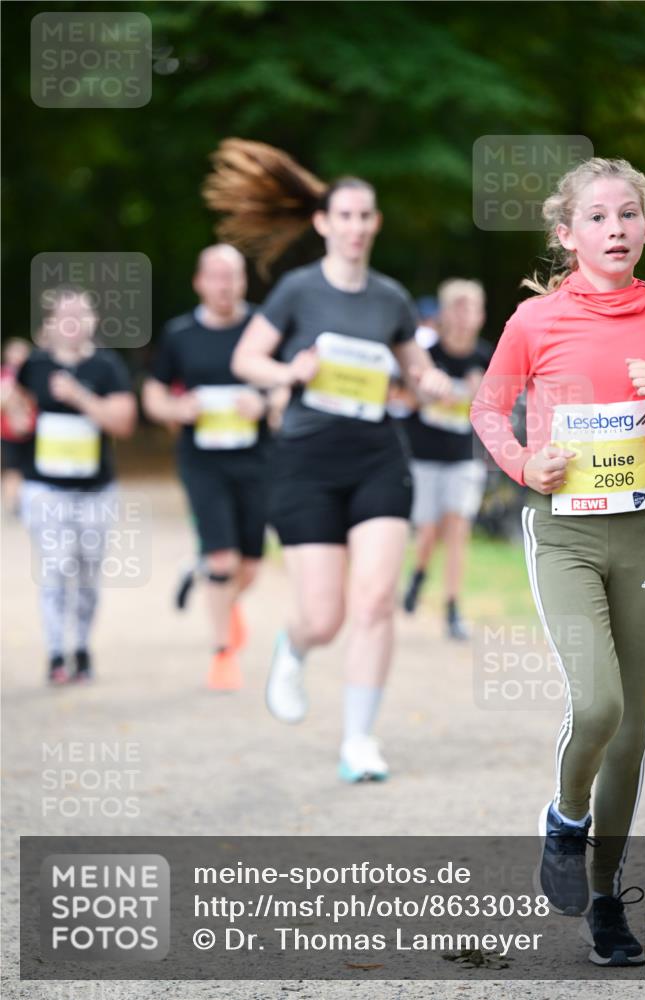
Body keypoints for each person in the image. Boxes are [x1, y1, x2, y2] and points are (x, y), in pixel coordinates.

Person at [203, 138, 454, 781]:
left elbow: (416, 366)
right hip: (307, 462)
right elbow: (245, 361)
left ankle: (359, 741)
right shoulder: (296, 290)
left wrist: (427, 382)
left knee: (373, 603)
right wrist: (291, 369)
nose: (355, 226)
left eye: (365, 215)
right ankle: (295, 646)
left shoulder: (391, 298)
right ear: (323, 223)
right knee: (326, 614)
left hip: (377, 457)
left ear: (374, 224)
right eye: (343, 215)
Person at [470, 158, 645, 966]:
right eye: (595, 217)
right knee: (595, 708)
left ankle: (603, 903)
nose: (613, 228)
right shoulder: (534, 322)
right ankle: (564, 817)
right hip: (566, 534)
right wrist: (523, 463)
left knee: (630, 735)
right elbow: (487, 407)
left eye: (627, 214)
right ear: (566, 234)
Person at [142, 245, 269, 691]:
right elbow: (153, 396)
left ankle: (214, 589)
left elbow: (289, 382)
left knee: (250, 566)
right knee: (223, 558)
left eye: (232, 275)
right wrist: (177, 409)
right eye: (216, 275)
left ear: (243, 281)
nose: (225, 284)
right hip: (202, 462)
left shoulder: (263, 329)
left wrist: (265, 402)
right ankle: (222, 653)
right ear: (199, 282)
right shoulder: (180, 334)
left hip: (256, 459)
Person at [16, 288, 136, 683]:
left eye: (80, 312)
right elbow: (16, 408)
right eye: (64, 313)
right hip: (45, 487)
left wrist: (79, 395)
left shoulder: (107, 366)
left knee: (87, 574)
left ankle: (81, 647)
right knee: (55, 567)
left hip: (95, 490)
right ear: (50, 322)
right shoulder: (34, 365)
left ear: (93, 320)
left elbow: (124, 423)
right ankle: (55, 654)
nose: (72, 321)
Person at [402, 279, 492, 638]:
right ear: (444, 314)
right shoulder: (428, 355)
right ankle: (419, 573)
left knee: (456, 527)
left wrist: (481, 394)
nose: (463, 315)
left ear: (481, 315)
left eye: (470, 307)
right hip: (424, 455)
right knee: (428, 532)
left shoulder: (487, 358)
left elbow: (502, 410)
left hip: (464, 458)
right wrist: (429, 394)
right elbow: (403, 399)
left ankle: (453, 608)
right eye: (456, 307)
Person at [1, 338, 36, 514]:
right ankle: (12, 505)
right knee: (13, 470)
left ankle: (26, 503)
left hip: (32, 430)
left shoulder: (33, 374)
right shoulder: (6, 375)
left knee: (30, 469)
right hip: (9, 433)